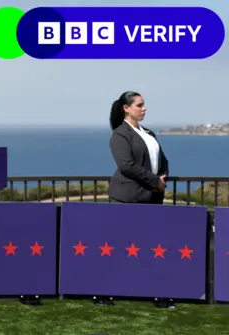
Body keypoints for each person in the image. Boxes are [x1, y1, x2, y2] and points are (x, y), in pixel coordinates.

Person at [106, 91, 173, 309]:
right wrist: (155, 181)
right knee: (123, 246)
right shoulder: (120, 134)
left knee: (152, 248)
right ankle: (109, 290)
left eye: (144, 105)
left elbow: (163, 160)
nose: (144, 109)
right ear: (126, 108)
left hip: (151, 199)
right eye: (139, 105)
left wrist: (162, 176)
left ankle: (154, 291)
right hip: (128, 199)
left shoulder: (149, 132)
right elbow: (127, 166)